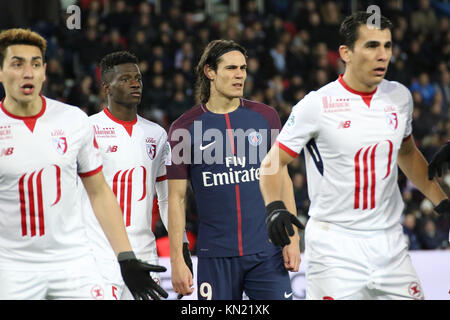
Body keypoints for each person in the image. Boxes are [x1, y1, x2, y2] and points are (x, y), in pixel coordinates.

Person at [259, 12, 450, 300]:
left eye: (387, 46)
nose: (383, 55)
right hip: (335, 247)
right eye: (372, 45)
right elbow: (273, 162)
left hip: (390, 245)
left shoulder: (400, 98)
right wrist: (274, 206)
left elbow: (407, 153)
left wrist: (441, 200)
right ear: (345, 53)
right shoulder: (317, 104)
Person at [0, 28, 167, 300]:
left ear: (45, 71)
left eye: (36, 64)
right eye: (17, 64)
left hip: (73, 264)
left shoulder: (73, 121)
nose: (28, 72)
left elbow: (100, 192)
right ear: (1, 71)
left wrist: (126, 258)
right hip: (13, 268)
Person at [167, 39, 300, 300]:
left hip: (267, 251)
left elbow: (282, 180)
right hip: (215, 255)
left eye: (243, 68)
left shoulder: (266, 117)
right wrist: (177, 260)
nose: (240, 74)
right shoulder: (183, 128)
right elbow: (176, 198)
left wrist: (292, 239)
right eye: (230, 68)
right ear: (210, 72)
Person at [81, 51, 192, 300]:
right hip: (98, 253)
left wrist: (182, 244)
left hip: (145, 252)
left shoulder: (156, 134)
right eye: (125, 79)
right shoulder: (87, 130)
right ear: (106, 87)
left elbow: (167, 199)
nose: (135, 84)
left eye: (138, 79)